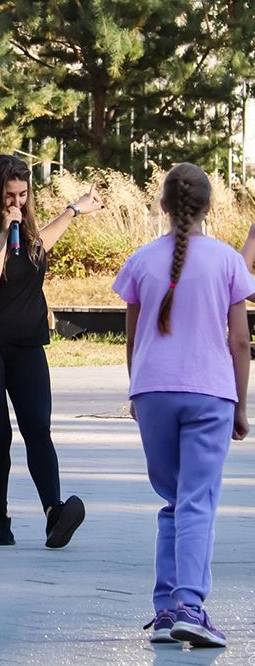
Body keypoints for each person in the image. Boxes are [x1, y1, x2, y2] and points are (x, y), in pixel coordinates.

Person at [113, 163, 253, 648]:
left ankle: (168, 608)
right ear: (209, 207)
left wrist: (138, 391)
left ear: (163, 206)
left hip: (153, 392)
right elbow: (239, 342)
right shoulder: (229, 261)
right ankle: (190, 605)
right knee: (197, 502)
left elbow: (131, 337)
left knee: (174, 502)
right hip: (210, 391)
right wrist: (240, 404)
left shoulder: (141, 260)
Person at [0, 154, 103, 548]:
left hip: (28, 343)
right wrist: (0, 234)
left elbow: (40, 245)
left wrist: (73, 210)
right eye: (9, 196)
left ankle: (55, 514)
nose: (16, 203)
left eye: (22, 194)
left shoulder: (26, 226)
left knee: (38, 427)